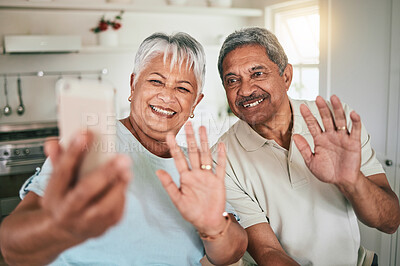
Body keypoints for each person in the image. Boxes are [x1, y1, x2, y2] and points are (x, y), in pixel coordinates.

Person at [0, 32, 247, 266]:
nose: (167, 96)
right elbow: (12, 249)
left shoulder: (199, 166)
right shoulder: (93, 143)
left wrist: (213, 226)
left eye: (182, 88)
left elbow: (232, 252)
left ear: (196, 102)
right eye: (155, 81)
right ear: (133, 85)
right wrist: (57, 226)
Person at [213, 26, 400, 265]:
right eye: (232, 80)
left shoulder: (334, 121)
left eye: (257, 74)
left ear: (286, 76)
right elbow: (268, 251)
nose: (246, 89)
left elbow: (390, 222)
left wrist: (351, 181)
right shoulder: (221, 158)